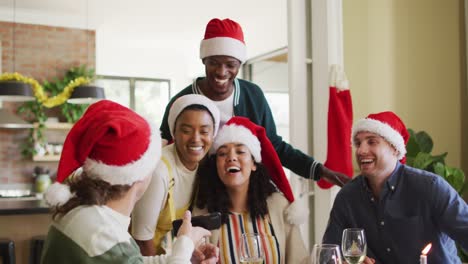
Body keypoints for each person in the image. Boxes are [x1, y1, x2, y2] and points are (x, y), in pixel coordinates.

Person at [159, 17, 350, 187]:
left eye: (230, 65)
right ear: (204, 61)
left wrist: (321, 171)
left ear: (240, 65)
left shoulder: (253, 96)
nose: (221, 71)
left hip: (245, 193)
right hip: (196, 192)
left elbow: (274, 146)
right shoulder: (182, 102)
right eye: (214, 62)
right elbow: (164, 149)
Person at [41, 100, 218, 264]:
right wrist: (185, 244)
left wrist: (185, 257)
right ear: (142, 173)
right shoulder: (104, 236)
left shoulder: (86, 215)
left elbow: (134, 261)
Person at [322, 111, 468, 264]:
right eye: (358, 143)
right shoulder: (347, 197)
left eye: (371, 142)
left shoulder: (431, 188)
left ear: (395, 149)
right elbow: (328, 256)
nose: (361, 150)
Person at [193, 116, 308, 264]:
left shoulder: (279, 206)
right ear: (216, 166)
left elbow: (301, 261)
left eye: (240, 151)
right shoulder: (202, 214)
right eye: (222, 153)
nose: (231, 157)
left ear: (254, 163)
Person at [132, 94, 220, 256]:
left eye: (204, 131)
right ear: (173, 132)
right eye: (186, 130)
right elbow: (141, 241)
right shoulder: (159, 171)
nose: (196, 139)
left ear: (213, 134)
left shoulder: (204, 167)